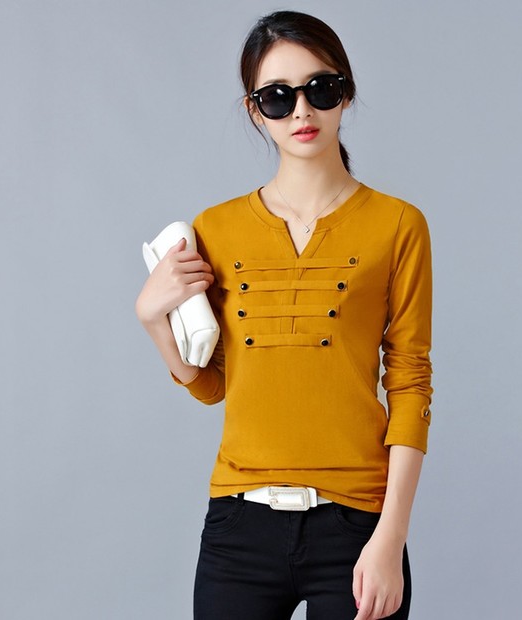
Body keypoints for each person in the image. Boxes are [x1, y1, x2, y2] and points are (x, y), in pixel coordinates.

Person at [136, 10, 432, 620]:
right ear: (255, 111)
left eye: (320, 89)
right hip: (239, 526)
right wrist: (152, 321)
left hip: (358, 525)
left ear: (345, 93)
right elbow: (214, 386)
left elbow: (409, 383)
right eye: (277, 97)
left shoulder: (399, 225)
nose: (301, 111)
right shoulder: (215, 229)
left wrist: (390, 537)